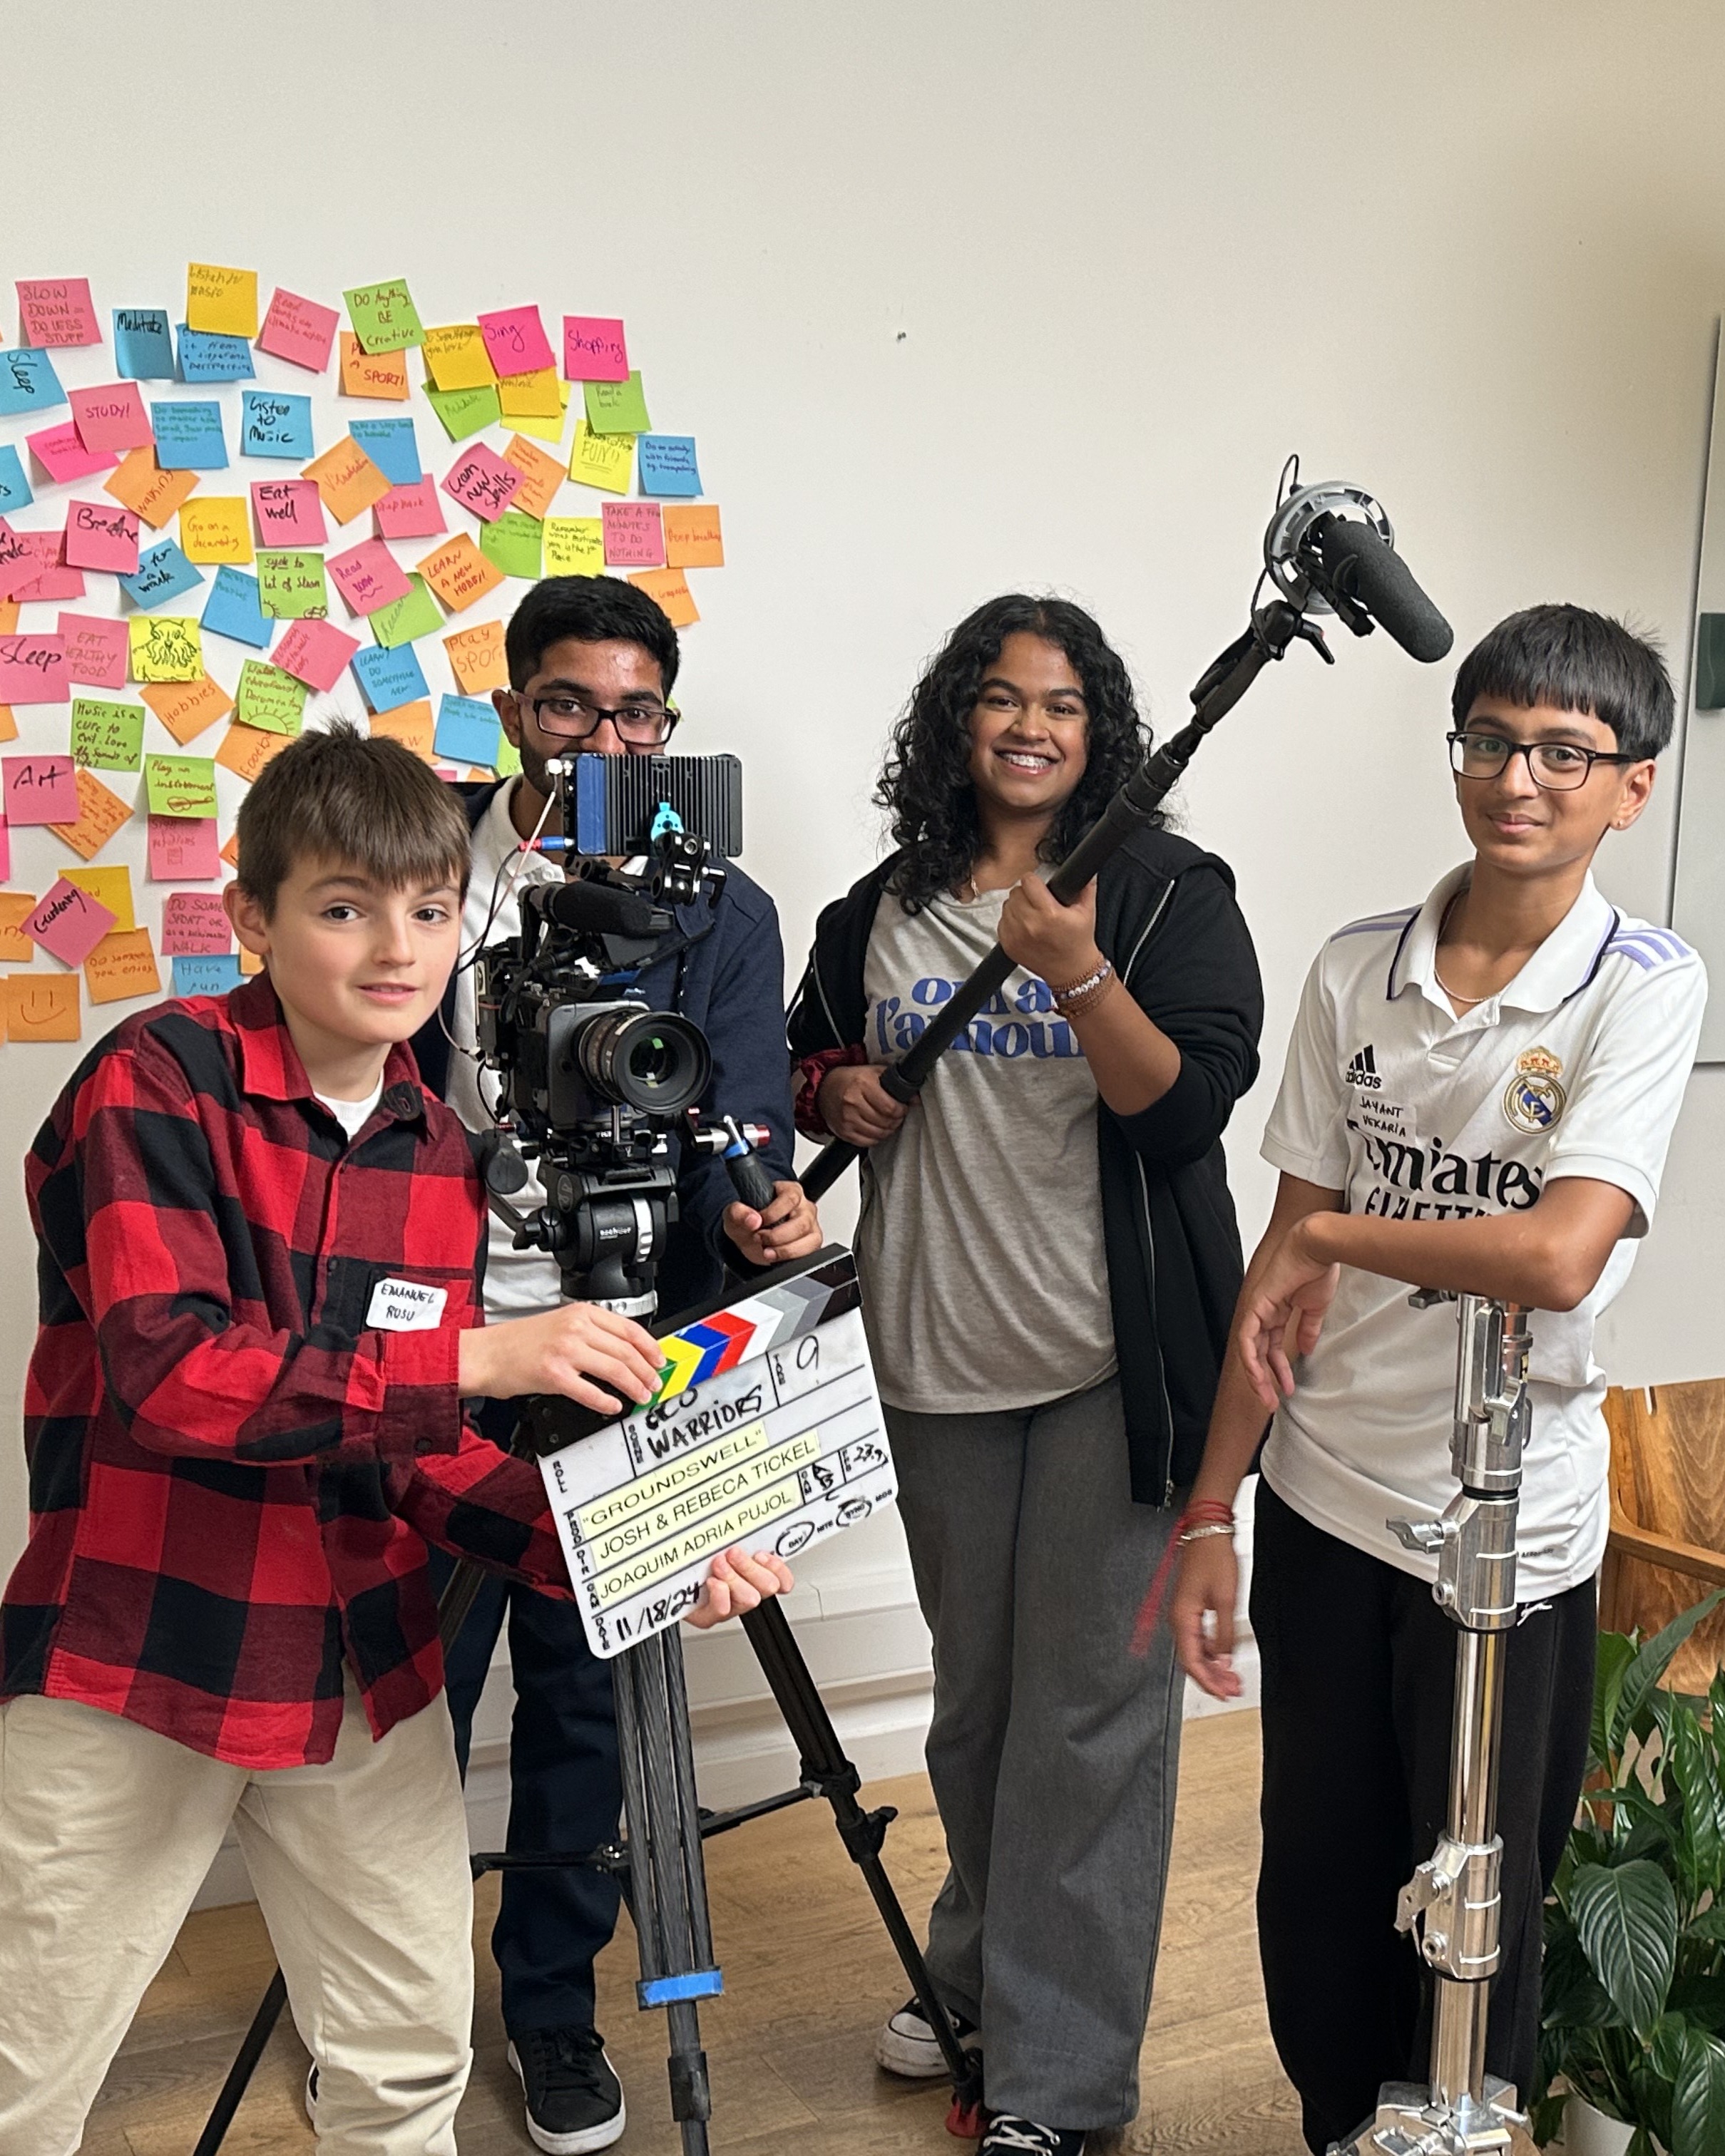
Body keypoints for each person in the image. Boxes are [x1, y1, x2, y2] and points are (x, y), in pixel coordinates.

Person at [0, 724, 792, 2156]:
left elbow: (419, 1459)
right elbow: (170, 1372)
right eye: (344, 906)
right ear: (254, 917)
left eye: (429, 910)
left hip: (366, 1667)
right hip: (141, 1652)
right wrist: (477, 1356)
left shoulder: (438, 1149)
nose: (394, 948)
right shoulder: (158, 1075)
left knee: (405, 2070)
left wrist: (647, 1553)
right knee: (25, 2072)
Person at [1167, 605, 1708, 2155]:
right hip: (1328, 1503)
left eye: (1561, 752)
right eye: (1486, 740)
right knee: (1318, 1887)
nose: (1515, 779)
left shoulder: (1644, 982)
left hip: (1511, 1537)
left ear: (1633, 786)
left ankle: (1455, 2124)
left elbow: (1555, 1255)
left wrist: (1339, 1229)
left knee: (1476, 1887)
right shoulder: (1357, 968)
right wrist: (1213, 1507)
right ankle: (1342, 2127)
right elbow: (1279, 1291)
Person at [787, 595, 1263, 2156]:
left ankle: (1059, 2083)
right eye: (997, 699)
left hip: (1106, 1371)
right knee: (979, 1708)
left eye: (1060, 703)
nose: (1029, 726)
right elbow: (811, 1061)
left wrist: (1072, 970)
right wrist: (843, 1083)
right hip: (934, 1357)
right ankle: (983, 1973)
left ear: (1100, 726)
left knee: (1090, 1722)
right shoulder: (880, 910)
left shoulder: (1166, 896)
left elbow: (1181, 1111)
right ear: (955, 724)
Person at [412, 573, 824, 2155]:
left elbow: (737, 1128)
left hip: (625, 1349)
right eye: (571, 705)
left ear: (668, 722)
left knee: (584, 1713)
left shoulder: (716, 905)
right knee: (407, 1708)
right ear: (514, 705)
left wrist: (764, 1207)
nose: (604, 737)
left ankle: (551, 2016)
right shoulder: (422, 855)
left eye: (638, 711)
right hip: (443, 1345)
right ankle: (387, 2015)